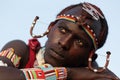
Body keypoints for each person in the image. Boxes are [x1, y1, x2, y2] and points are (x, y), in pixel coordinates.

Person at [0, 2, 119, 80]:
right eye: (62, 30)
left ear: (90, 56)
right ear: (50, 28)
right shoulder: (22, 51)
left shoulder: (95, 76)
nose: (64, 43)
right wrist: (68, 73)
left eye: (80, 42)